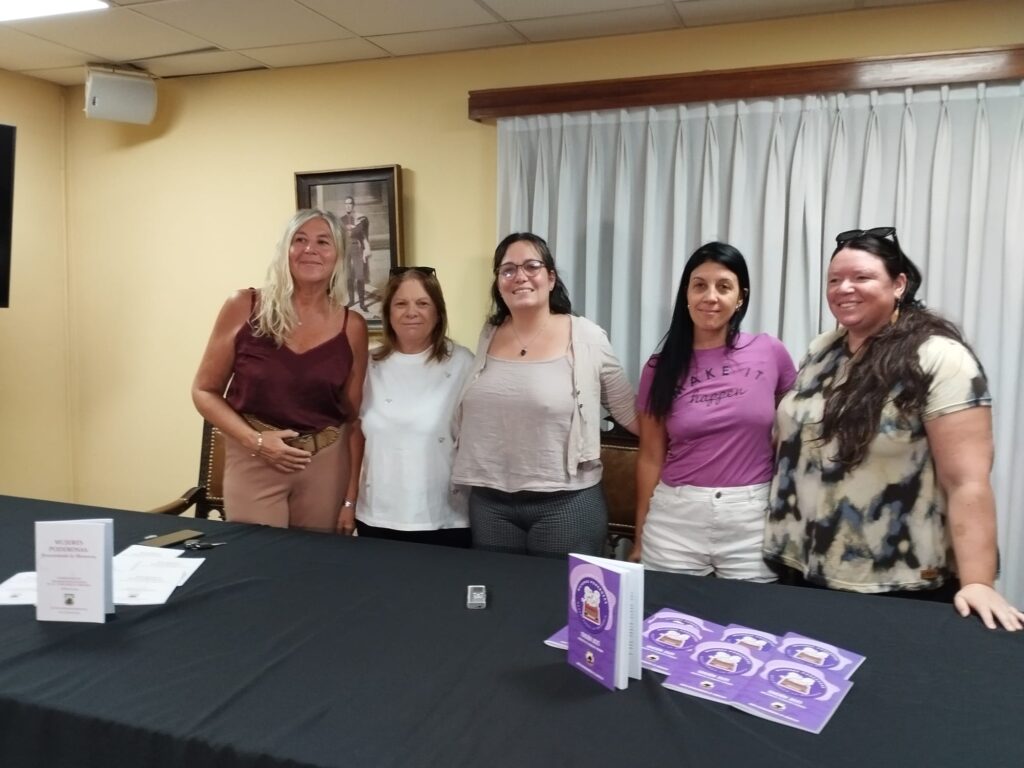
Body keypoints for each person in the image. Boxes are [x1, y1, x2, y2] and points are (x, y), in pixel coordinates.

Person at [765, 226, 1023, 631]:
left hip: (897, 584)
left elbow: (967, 482)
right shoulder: (823, 350)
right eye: (834, 280)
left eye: (861, 277)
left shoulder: (938, 357)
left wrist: (978, 582)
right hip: (806, 567)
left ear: (899, 283)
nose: (843, 288)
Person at [452, 232, 638, 557]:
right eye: (508, 269)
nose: (520, 276)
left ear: (550, 278)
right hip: (490, 503)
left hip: (565, 504)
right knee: (501, 603)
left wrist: (693, 439)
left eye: (531, 266)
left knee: (558, 605)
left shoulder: (586, 338)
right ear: (498, 283)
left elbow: (630, 415)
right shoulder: (489, 334)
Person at [192, 209, 368, 532]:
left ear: (339, 255)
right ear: (284, 251)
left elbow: (352, 417)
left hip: (325, 464)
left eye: (323, 242)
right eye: (299, 240)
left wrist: (349, 499)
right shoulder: (244, 306)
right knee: (257, 563)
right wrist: (256, 441)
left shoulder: (352, 326)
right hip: (255, 458)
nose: (309, 249)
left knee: (313, 568)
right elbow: (204, 391)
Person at [630, 242, 796, 580]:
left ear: (740, 298)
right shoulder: (659, 368)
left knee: (753, 628)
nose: (711, 296)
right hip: (675, 517)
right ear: (687, 295)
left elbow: (794, 422)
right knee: (667, 624)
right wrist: (638, 538)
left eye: (724, 286)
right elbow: (650, 456)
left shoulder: (769, 351)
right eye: (700, 285)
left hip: (751, 518)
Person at [345, 266, 474, 546]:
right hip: (377, 516)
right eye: (401, 303)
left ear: (438, 313)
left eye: (423, 303)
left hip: (445, 518)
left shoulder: (463, 362)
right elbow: (353, 435)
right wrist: (348, 502)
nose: (411, 312)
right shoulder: (368, 364)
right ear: (388, 314)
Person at [341, 196, 371, 311]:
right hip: (345, 249)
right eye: (346, 204)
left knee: (360, 276)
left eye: (350, 203)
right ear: (345, 205)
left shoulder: (360, 218)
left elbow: (362, 234)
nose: (348, 205)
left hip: (356, 247)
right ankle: (351, 300)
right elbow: (339, 235)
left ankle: (362, 303)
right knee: (348, 275)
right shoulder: (341, 220)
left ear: (353, 205)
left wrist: (352, 229)